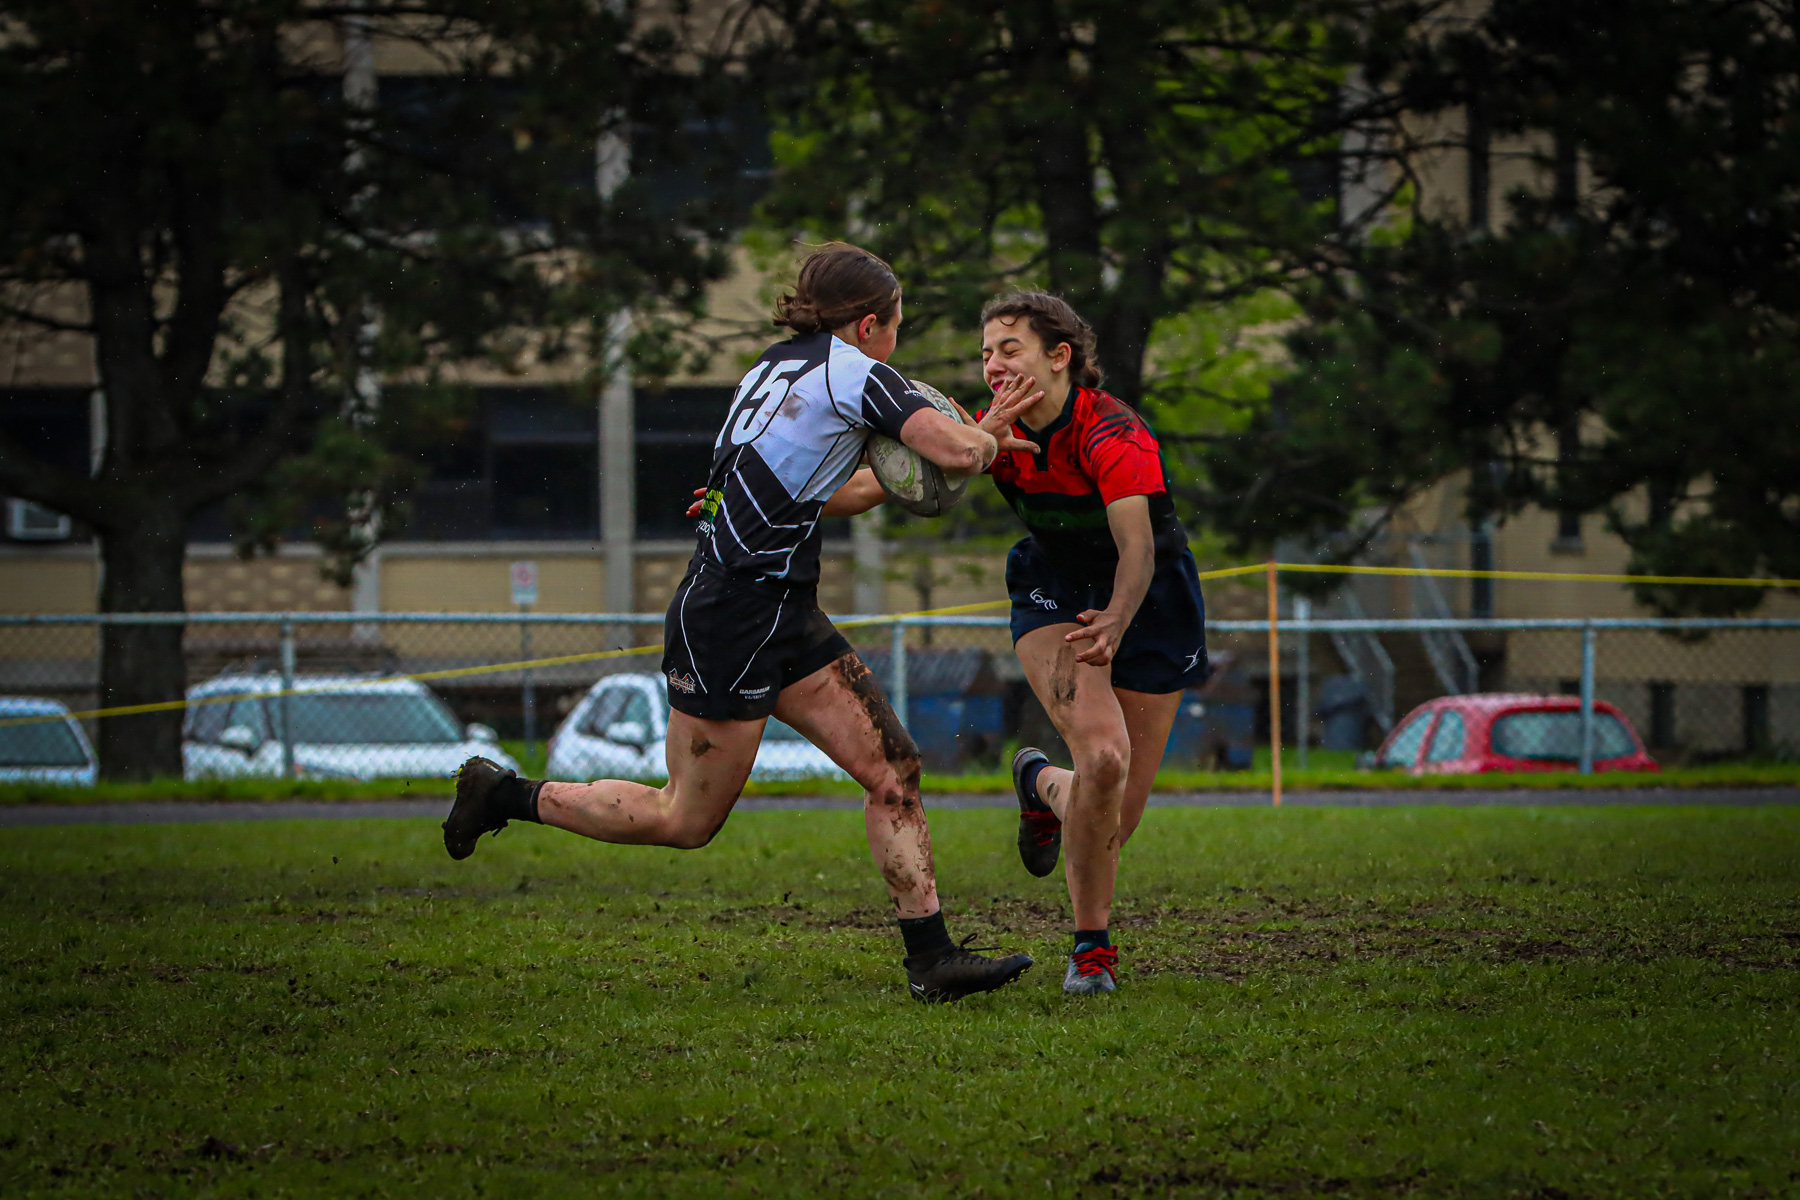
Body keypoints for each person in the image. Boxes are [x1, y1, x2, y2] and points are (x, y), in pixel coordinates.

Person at [444, 244, 1037, 1003]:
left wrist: (911, 473)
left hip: (781, 610)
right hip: (729, 615)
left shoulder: (775, 367)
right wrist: (989, 432)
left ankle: (932, 958)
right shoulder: (858, 372)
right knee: (684, 818)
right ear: (868, 325)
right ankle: (504, 794)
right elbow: (958, 449)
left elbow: (831, 492)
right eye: (895, 327)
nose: (896, 344)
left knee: (893, 773)